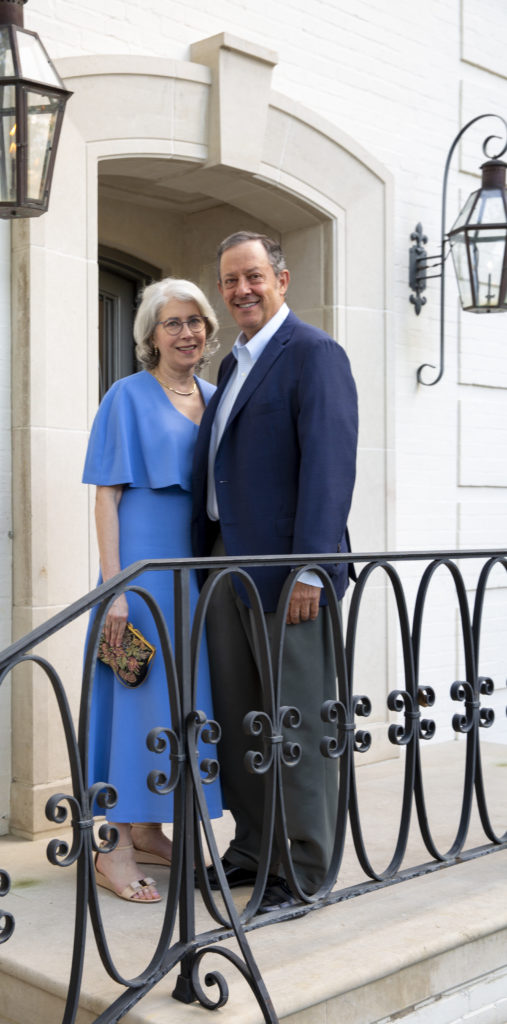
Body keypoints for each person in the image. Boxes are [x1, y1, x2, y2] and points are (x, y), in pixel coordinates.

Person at [191, 230, 358, 911]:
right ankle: (254, 848)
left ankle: (305, 869)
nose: (240, 291)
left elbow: (328, 465)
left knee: (296, 723)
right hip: (225, 564)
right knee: (241, 718)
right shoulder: (232, 366)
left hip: (288, 574)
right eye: (230, 280)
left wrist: (313, 571)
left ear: (280, 280)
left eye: (253, 276)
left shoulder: (313, 354)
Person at [83, 278, 224, 903]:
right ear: (150, 335)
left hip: (193, 578)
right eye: (173, 322)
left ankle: (148, 827)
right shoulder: (126, 396)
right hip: (138, 578)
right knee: (132, 704)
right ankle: (110, 846)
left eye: (195, 320)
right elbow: (107, 496)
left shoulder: (219, 399)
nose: (187, 331)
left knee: (179, 707)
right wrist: (115, 587)